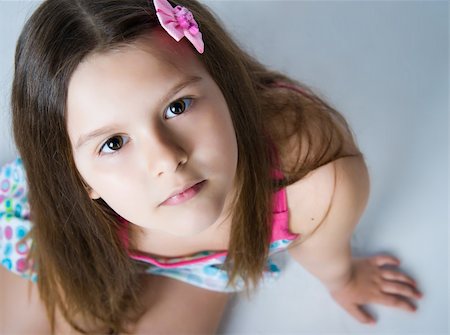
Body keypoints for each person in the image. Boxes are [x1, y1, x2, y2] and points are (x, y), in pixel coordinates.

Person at [0, 0, 423, 334]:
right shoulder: (67, 201)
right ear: (74, 173)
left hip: (201, 267)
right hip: (75, 243)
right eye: (113, 143)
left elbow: (325, 246)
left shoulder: (311, 179)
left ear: (225, 86)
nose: (167, 159)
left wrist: (343, 278)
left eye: (177, 106)